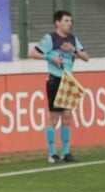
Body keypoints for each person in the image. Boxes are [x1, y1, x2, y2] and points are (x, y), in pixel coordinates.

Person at [28, 10, 89, 163]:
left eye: (70, 21)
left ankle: (66, 152)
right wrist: (50, 57)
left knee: (67, 117)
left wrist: (74, 50)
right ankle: (52, 153)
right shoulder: (51, 38)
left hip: (68, 81)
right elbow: (32, 53)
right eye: (66, 21)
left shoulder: (73, 39)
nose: (69, 23)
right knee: (54, 117)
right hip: (55, 79)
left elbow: (86, 57)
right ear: (57, 23)